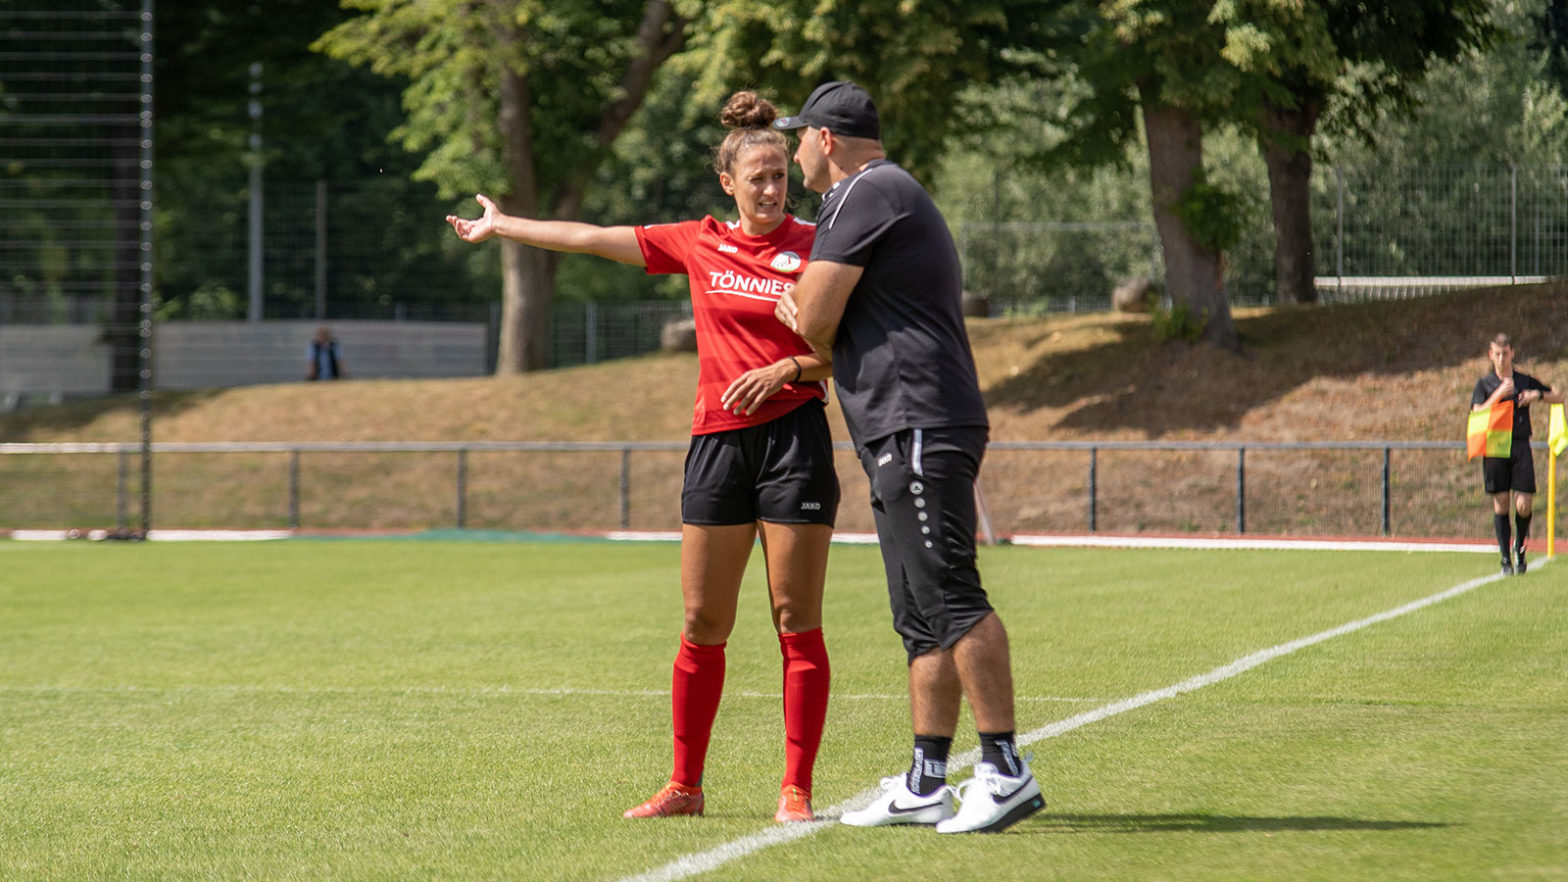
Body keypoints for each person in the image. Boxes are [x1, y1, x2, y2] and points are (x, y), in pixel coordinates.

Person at [445, 91, 837, 824]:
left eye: (780, 175)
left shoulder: (820, 246)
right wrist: (503, 227)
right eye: (757, 176)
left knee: (795, 618)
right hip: (717, 443)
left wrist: (790, 370)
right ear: (728, 181)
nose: (771, 187)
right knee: (700, 620)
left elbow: (846, 353)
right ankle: (685, 786)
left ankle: (796, 790)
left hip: (795, 442)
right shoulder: (698, 241)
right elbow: (592, 238)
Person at [772, 81, 1044, 834]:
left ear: (827, 139)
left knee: (953, 597)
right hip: (898, 427)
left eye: (800, 137)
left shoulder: (867, 190)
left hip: (917, 420)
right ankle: (928, 778)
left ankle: (1005, 770)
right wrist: (810, 315)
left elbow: (814, 319)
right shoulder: (868, 194)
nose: (794, 151)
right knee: (921, 618)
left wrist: (803, 314)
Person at [1470, 333, 1563, 575]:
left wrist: (1537, 396)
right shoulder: (1485, 384)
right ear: (1491, 355)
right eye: (1496, 354)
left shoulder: (1523, 379)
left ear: (1512, 352)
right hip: (1494, 447)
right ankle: (1505, 559)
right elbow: (1477, 411)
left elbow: (1558, 394)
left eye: (1505, 353)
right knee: (1501, 503)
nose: (1501, 358)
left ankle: (1519, 547)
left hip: (1520, 445)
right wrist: (1499, 394)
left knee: (1523, 505)